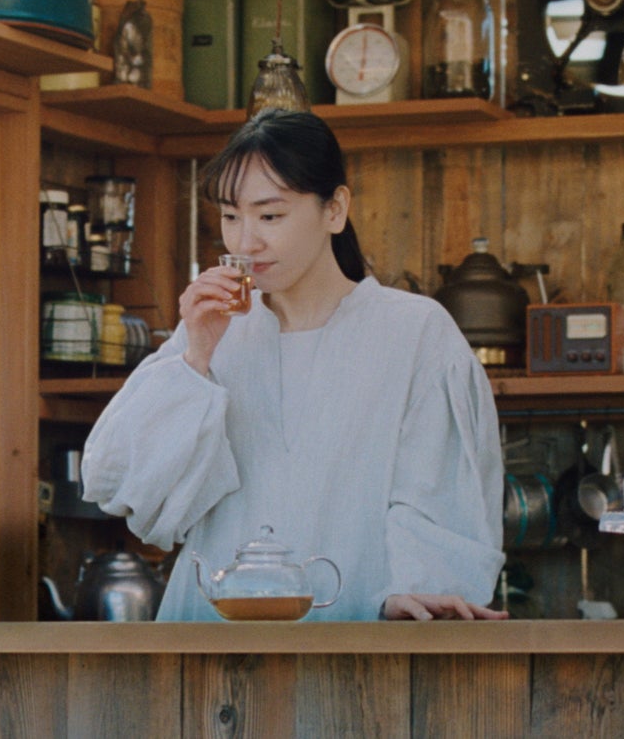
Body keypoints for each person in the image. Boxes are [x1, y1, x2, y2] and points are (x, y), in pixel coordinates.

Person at [82, 109, 507, 621]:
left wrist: (413, 589)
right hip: (213, 645)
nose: (244, 243)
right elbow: (126, 492)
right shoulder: (210, 335)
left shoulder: (414, 333)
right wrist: (195, 358)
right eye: (231, 217)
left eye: (270, 216)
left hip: (358, 636)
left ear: (335, 209)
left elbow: (440, 498)